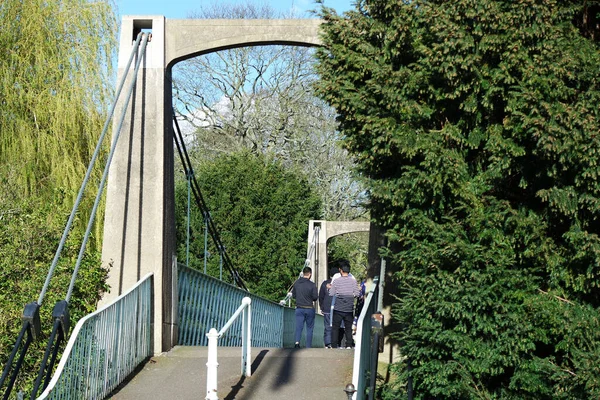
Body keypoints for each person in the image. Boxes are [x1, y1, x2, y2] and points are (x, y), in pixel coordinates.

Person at [328, 260, 360, 349]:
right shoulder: (353, 281)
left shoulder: (337, 281)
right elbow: (357, 294)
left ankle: (334, 345)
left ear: (341, 271)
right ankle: (349, 344)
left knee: (335, 328)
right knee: (348, 328)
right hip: (349, 309)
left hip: (338, 308)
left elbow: (331, 293)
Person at [292, 266, 318, 348]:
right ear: (310, 274)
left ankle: (297, 343)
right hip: (309, 308)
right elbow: (315, 298)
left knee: (299, 327)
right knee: (309, 328)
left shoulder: (296, 283)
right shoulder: (312, 285)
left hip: (299, 308)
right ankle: (308, 346)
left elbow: (293, 296)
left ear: (303, 274)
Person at [319, 267, 338, 348]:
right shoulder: (340, 283)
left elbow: (321, 296)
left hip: (326, 308)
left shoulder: (324, 283)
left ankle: (328, 343)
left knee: (327, 326)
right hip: (337, 308)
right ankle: (336, 342)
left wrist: (321, 307)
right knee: (336, 326)